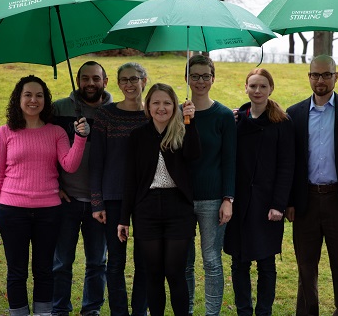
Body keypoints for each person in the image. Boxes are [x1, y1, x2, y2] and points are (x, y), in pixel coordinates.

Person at [0, 75, 89, 316]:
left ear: (46, 100)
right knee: (17, 271)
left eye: (39, 95)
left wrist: (80, 137)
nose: (33, 100)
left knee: (44, 270)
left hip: (48, 211)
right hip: (12, 211)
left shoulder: (55, 132)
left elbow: (70, 165)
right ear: (18, 99)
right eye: (28, 94)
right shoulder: (3, 133)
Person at [285, 55, 338, 316]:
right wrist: (289, 201)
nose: (320, 80)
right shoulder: (295, 113)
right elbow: (289, 163)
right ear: (309, 76)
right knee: (305, 268)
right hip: (306, 200)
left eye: (326, 75)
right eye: (315, 75)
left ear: (336, 77)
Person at [117, 83, 200, 316]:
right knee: (153, 273)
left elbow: (194, 155)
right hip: (146, 210)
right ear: (148, 106)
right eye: (156, 102)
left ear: (175, 106)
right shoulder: (138, 136)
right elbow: (130, 180)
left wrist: (190, 122)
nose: (161, 107)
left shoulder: (182, 132)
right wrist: (124, 218)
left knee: (175, 272)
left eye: (167, 103)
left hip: (178, 209)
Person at [224, 68, 295, 316]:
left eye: (262, 86)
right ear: (245, 87)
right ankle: (244, 310)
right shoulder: (235, 120)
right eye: (253, 86)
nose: (257, 91)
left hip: (267, 203)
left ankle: (264, 311)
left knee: (266, 263)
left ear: (270, 89)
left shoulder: (282, 122)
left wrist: (279, 204)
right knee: (238, 262)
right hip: (240, 202)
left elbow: (287, 167)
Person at [52, 61, 112, 316]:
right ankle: (59, 309)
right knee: (62, 261)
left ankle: (91, 310)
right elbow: (45, 148)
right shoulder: (60, 109)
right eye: (85, 78)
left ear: (104, 81)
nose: (90, 83)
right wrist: (54, 184)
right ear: (78, 81)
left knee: (97, 262)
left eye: (95, 78)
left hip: (101, 202)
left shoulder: (114, 111)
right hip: (67, 199)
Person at [89, 62, 149, 316]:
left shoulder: (153, 114)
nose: (129, 84)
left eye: (134, 79)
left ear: (144, 81)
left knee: (145, 262)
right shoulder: (106, 115)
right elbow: (96, 160)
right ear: (117, 83)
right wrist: (97, 202)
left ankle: (139, 311)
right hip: (113, 196)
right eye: (124, 80)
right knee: (115, 261)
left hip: (146, 197)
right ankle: (119, 312)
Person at [184, 54, 237, 316]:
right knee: (184, 262)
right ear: (187, 79)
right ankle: (187, 310)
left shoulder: (224, 115)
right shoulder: (178, 113)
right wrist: (185, 120)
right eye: (195, 76)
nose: (200, 81)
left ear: (213, 78)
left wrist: (228, 198)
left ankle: (211, 313)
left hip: (213, 199)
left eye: (206, 75)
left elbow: (229, 160)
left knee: (212, 261)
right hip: (181, 198)